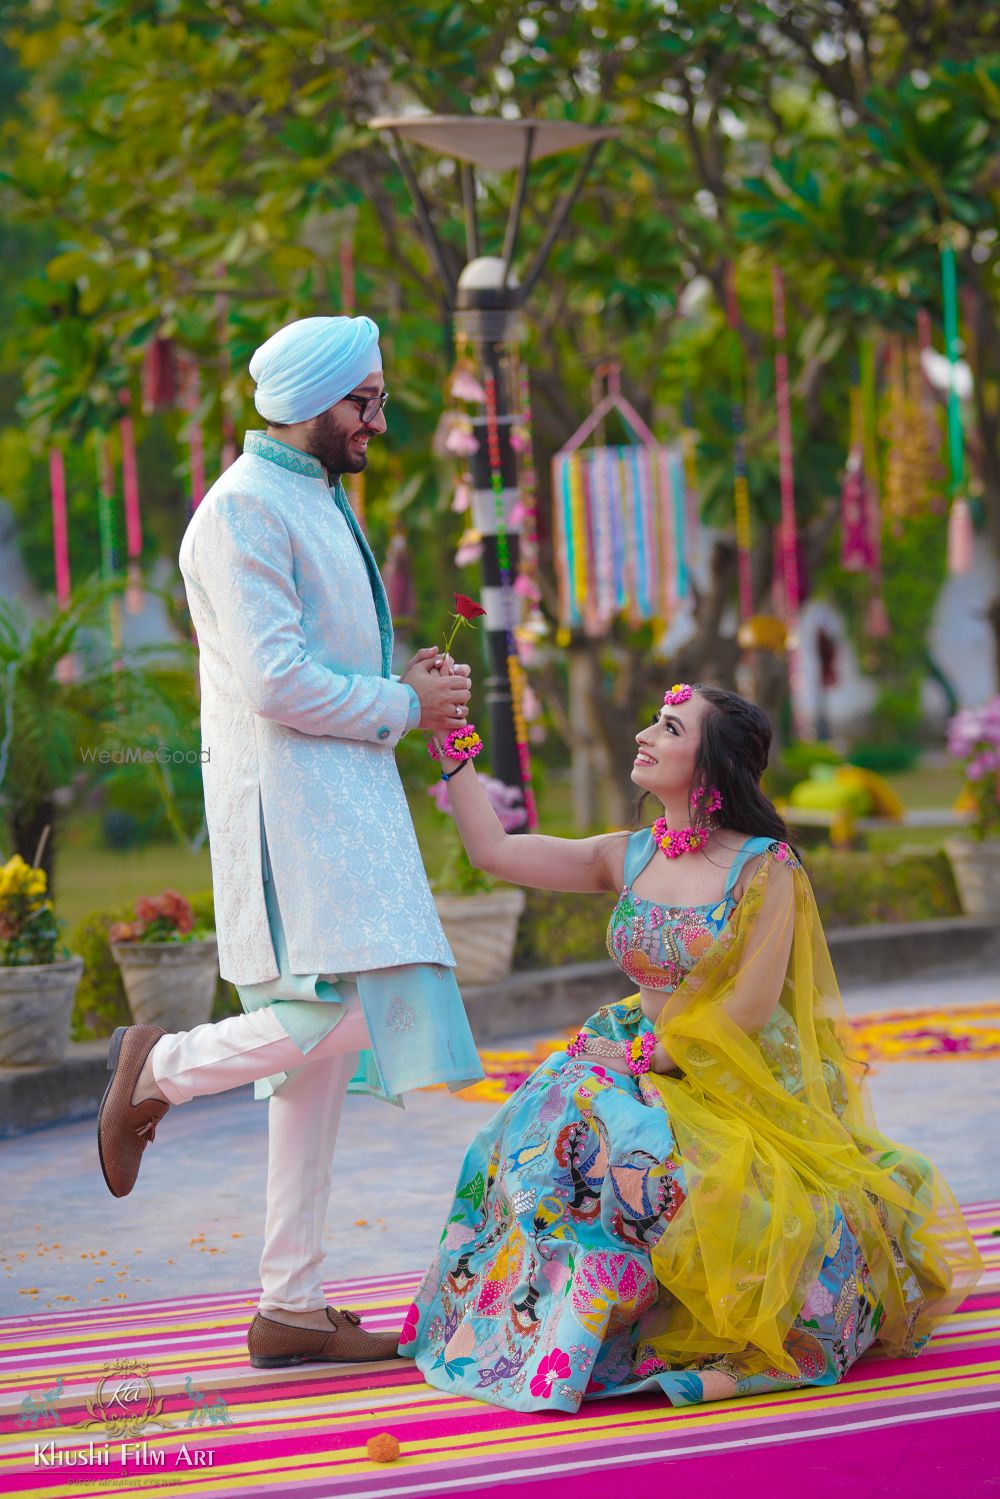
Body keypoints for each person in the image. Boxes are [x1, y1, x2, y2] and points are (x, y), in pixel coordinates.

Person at [405, 683, 982, 1410]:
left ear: (709, 767)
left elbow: (746, 1006)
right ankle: (538, 1329)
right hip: (638, 1052)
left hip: (731, 1072)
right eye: (653, 719)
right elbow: (493, 852)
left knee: (706, 1185)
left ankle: (663, 1331)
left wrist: (651, 1061)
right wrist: (455, 747)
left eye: (669, 727)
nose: (645, 733)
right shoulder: (629, 854)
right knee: (546, 1117)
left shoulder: (767, 867)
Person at [97, 314, 484, 1370]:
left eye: (379, 399)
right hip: (292, 814)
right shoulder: (241, 512)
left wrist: (416, 694)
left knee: (310, 1057)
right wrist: (400, 699)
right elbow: (274, 682)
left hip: (344, 800)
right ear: (311, 403)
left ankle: (290, 1303)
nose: (378, 419)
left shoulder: (305, 496)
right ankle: (162, 1065)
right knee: (349, 1013)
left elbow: (332, 666)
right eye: (364, 402)